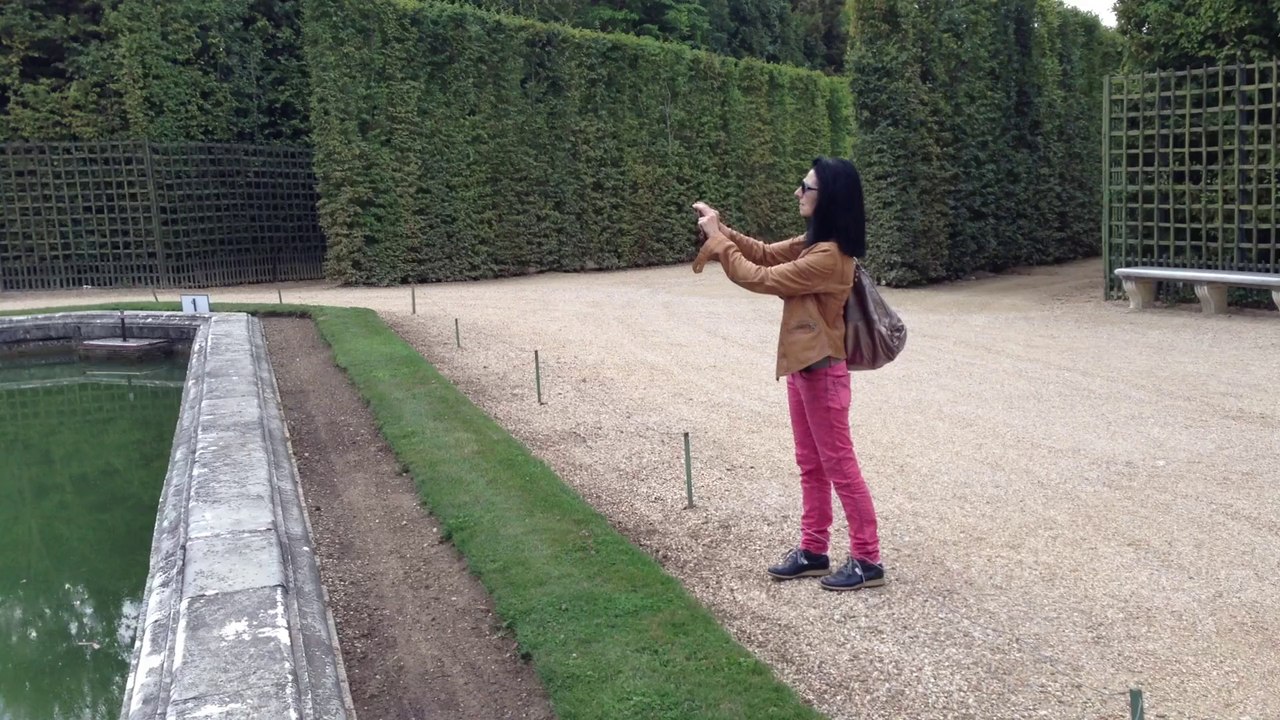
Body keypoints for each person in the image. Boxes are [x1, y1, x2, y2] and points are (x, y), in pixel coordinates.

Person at [692, 156, 884, 592]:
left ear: (828, 198)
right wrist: (720, 231)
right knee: (811, 465)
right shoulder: (816, 243)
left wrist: (719, 244)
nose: (798, 193)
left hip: (824, 375)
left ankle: (868, 560)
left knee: (840, 467)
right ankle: (814, 550)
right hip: (803, 369)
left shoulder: (830, 258)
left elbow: (758, 276)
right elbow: (760, 251)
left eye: (806, 187)